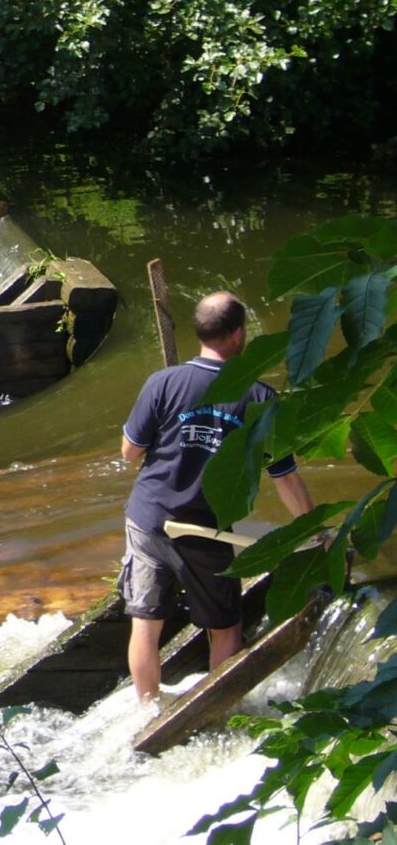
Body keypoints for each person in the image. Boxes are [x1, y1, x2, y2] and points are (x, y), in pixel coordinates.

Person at [119, 290, 317, 702]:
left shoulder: (163, 382)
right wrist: (315, 530)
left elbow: (130, 451)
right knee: (225, 625)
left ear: (200, 331)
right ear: (240, 333)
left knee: (146, 622)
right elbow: (284, 476)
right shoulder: (260, 398)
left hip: (149, 517)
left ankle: (147, 710)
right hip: (205, 529)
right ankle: (217, 711)